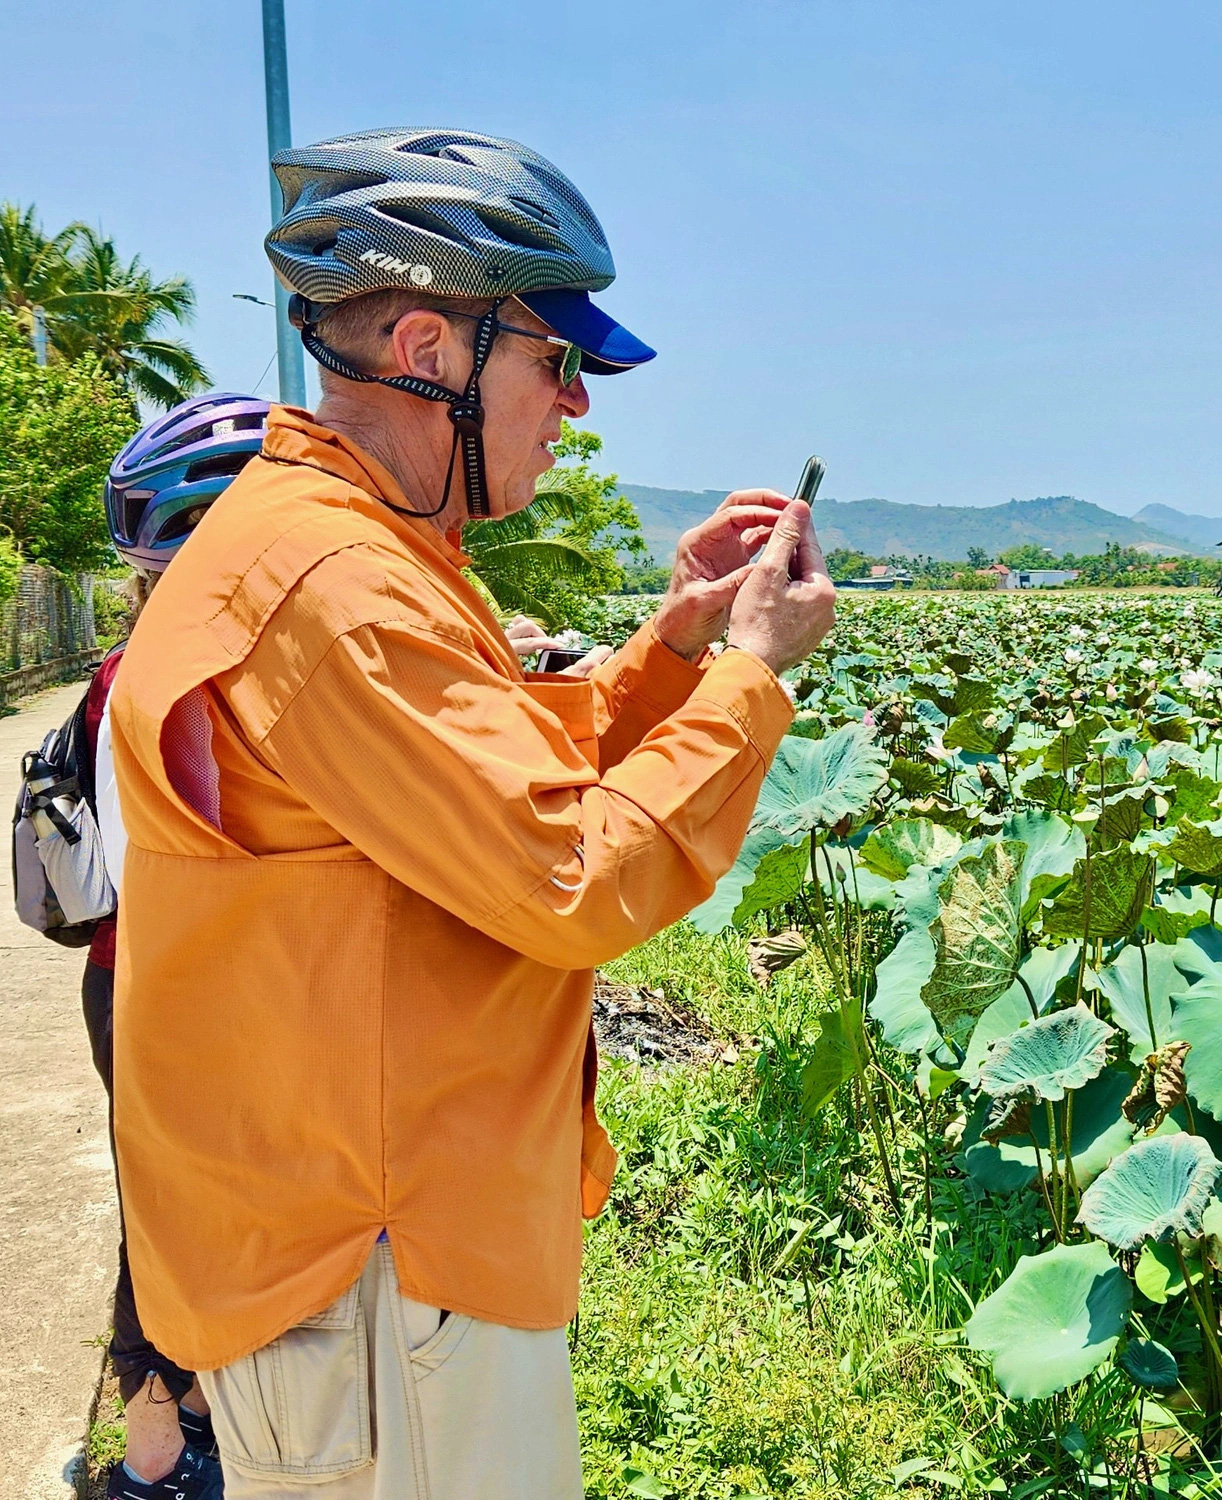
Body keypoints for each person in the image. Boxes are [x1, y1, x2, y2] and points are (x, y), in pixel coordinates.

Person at [107, 127, 836, 1498]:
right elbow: (570, 869)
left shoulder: (340, 546)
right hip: (377, 1280)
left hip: (367, 1254)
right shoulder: (336, 585)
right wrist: (750, 674)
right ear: (433, 351)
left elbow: (482, 793)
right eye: (554, 360)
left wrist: (671, 648)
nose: (575, 406)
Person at [84, 393, 275, 1499]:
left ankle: (190, 1424)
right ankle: (151, 1463)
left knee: (211, 1212)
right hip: (157, 988)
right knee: (162, 1219)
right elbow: (143, 873)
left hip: (184, 986)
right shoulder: (153, 680)